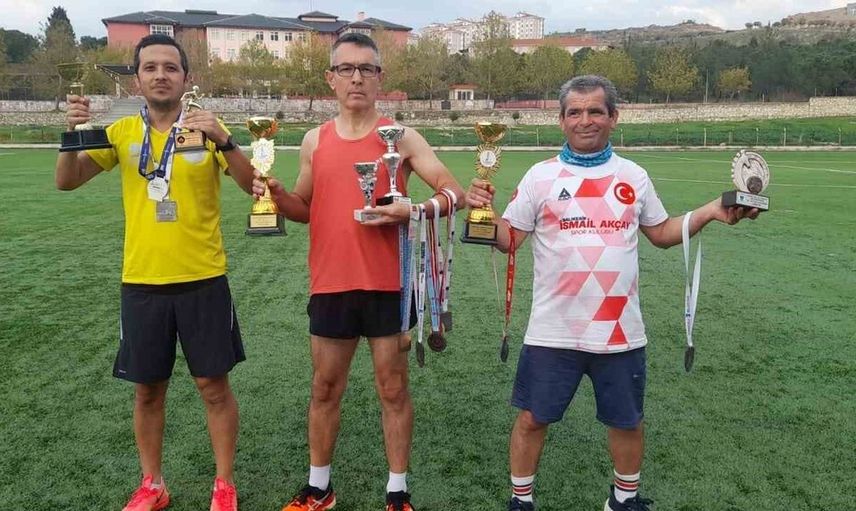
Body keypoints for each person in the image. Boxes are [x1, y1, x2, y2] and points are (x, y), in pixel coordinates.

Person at [465, 75, 761, 511]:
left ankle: (624, 500)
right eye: (574, 112)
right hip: (554, 330)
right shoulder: (540, 176)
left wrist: (713, 211)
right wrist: (483, 215)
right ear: (561, 120)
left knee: (627, 422)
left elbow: (661, 233)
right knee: (532, 418)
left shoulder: (632, 176)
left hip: (620, 331)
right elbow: (510, 241)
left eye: (595, 111)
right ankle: (521, 501)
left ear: (613, 117)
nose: (585, 120)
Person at [251, 33, 464, 511]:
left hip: (390, 284)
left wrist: (413, 210)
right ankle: (319, 489)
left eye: (366, 68)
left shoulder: (402, 137)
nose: (356, 77)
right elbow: (305, 208)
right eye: (346, 68)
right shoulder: (315, 140)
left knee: (393, 388)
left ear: (379, 78)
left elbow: (454, 193)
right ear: (330, 78)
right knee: (324, 388)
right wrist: (278, 197)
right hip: (331, 283)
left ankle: (397, 492)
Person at [55, 34, 255, 511]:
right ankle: (153, 484)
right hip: (142, 282)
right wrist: (71, 132)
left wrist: (225, 141)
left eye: (170, 67)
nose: (160, 75)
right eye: (150, 67)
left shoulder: (207, 127)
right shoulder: (121, 132)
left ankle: (224, 484)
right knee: (147, 390)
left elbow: (254, 187)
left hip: (203, 278)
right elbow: (67, 181)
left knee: (214, 388)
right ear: (137, 80)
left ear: (186, 78)